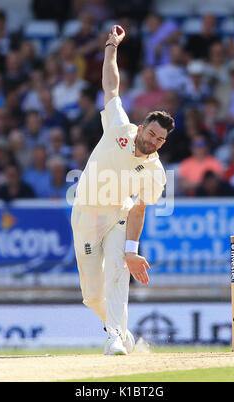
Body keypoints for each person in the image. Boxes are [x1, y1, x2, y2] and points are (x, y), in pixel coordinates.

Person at [71, 25, 174, 355]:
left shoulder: (155, 171)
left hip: (118, 214)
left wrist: (131, 249)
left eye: (161, 139)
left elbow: (140, 207)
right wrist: (111, 47)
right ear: (142, 126)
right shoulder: (119, 128)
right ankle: (121, 331)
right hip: (86, 215)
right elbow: (111, 87)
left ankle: (114, 337)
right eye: (152, 134)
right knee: (92, 295)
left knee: (118, 271)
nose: (154, 141)